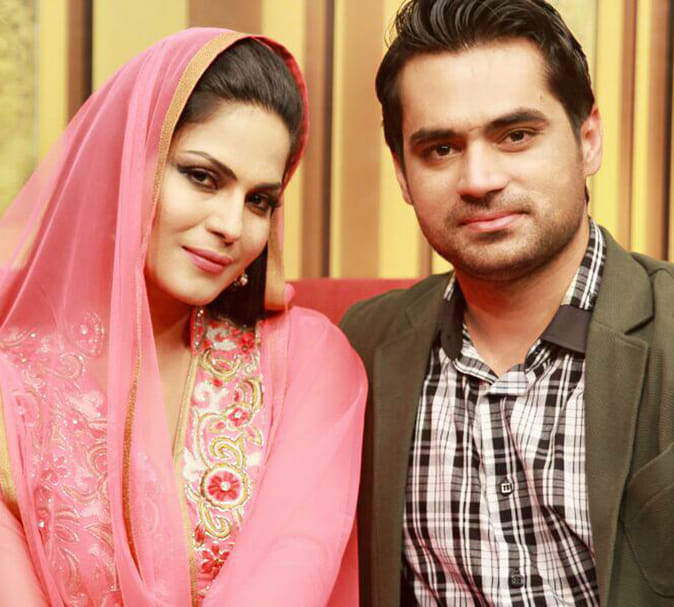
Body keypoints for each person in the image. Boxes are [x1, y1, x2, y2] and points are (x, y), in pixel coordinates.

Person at [0, 28, 366, 606]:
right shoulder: (13, 381)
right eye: (202, 177)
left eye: (259, 200)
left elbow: (294, 567)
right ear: (123, 168)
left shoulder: (309, 362)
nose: (231, 225)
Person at [340, 1, 674, 605]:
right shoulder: (360, 348)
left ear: (588, 139)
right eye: (440, 149)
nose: (478, 180)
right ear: (403, 175)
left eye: (516, 135)